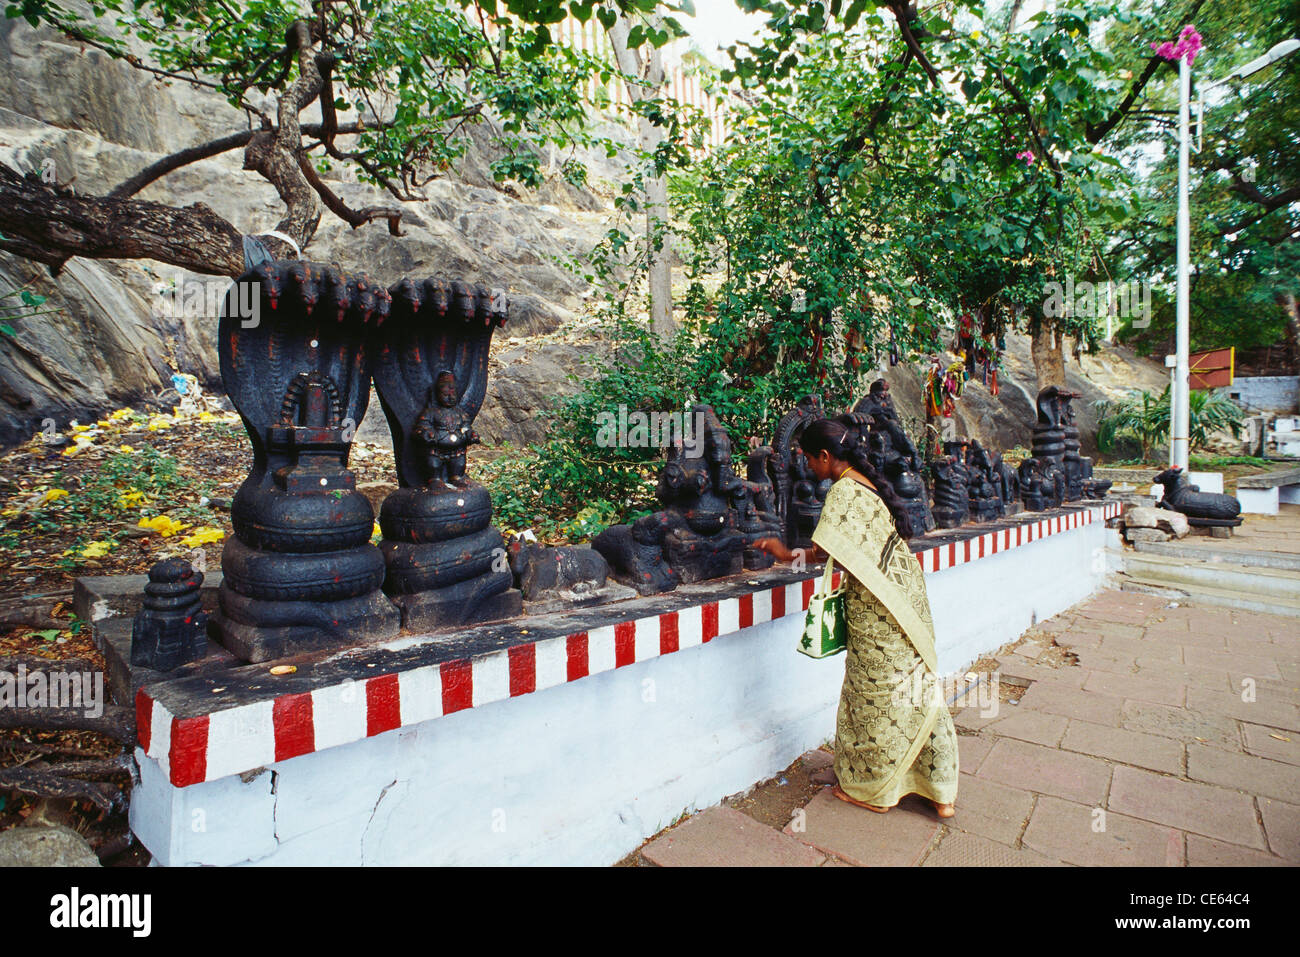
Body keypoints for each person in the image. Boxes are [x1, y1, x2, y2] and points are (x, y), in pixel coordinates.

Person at [755, 416, 958, 817]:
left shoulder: (844, 493)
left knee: (872, 696)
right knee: (917, 685)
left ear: (826, 456)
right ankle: (940, 790)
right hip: (907, 598)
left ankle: (872, 790)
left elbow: (827, 552)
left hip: (876, 607)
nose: (806, 467)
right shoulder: (869, 485)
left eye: (808, 459)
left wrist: (783, 554)